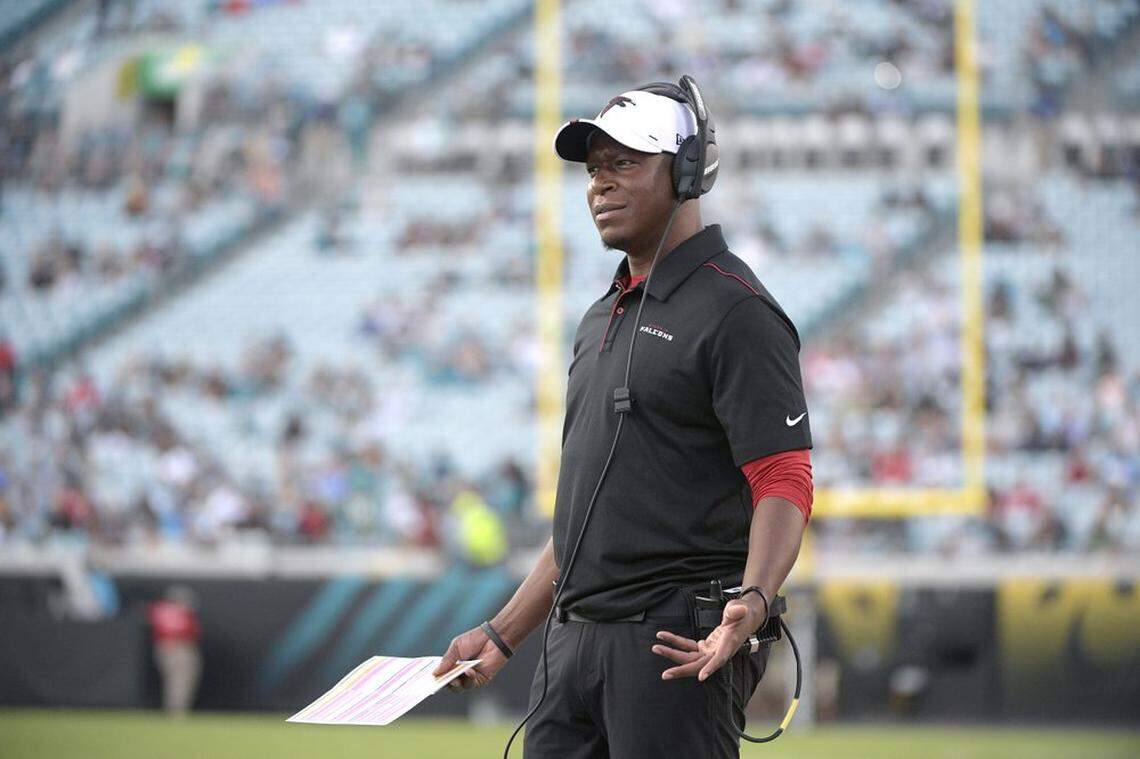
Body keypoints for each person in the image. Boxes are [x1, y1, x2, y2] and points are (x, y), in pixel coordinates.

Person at [435, 82, 814, 758]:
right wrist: (503, 633)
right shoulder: (599, 316)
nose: (601, 185)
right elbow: (585, 518)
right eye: (594, 168)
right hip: (571, 642)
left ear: (689, 171)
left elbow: (783, 476)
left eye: (627, 163)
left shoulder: (738, 311)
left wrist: (753, 600)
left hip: (672, 643)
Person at [147, 585, 202, 716]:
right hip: (180, 648)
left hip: (163, 647)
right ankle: (177, 711)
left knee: (173, 681)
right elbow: (193, 631)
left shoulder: (158, 610)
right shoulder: (181, 613)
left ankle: (173, 710)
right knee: (180, 681)